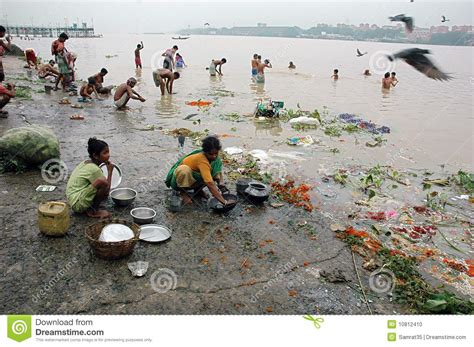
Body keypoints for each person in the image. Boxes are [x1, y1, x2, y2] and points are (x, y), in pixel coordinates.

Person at [165, 135, 232, 206]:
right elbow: (210, 183)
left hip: (194, 179)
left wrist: (220, 183)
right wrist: (224, 202)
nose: (214, 156)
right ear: (205, 152)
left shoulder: (215, 159)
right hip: (180, 181)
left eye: (216, 153)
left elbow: (217, 171)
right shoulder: (202, 160)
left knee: (211, 172)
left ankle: (198, 190)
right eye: (211, 154)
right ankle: (183, 193)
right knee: (184, 170)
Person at [66, 137, 114, 218]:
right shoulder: (94, 169)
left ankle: (91, 206)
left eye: (108, 152)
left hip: (72, 199)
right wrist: (110, 172)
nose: (108, 155)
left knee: (100, 182)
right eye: (105, 153)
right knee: (102, 182)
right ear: (95, 155)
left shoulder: (85, 163)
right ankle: (94, 211)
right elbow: (106, 191)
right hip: (78, 204)